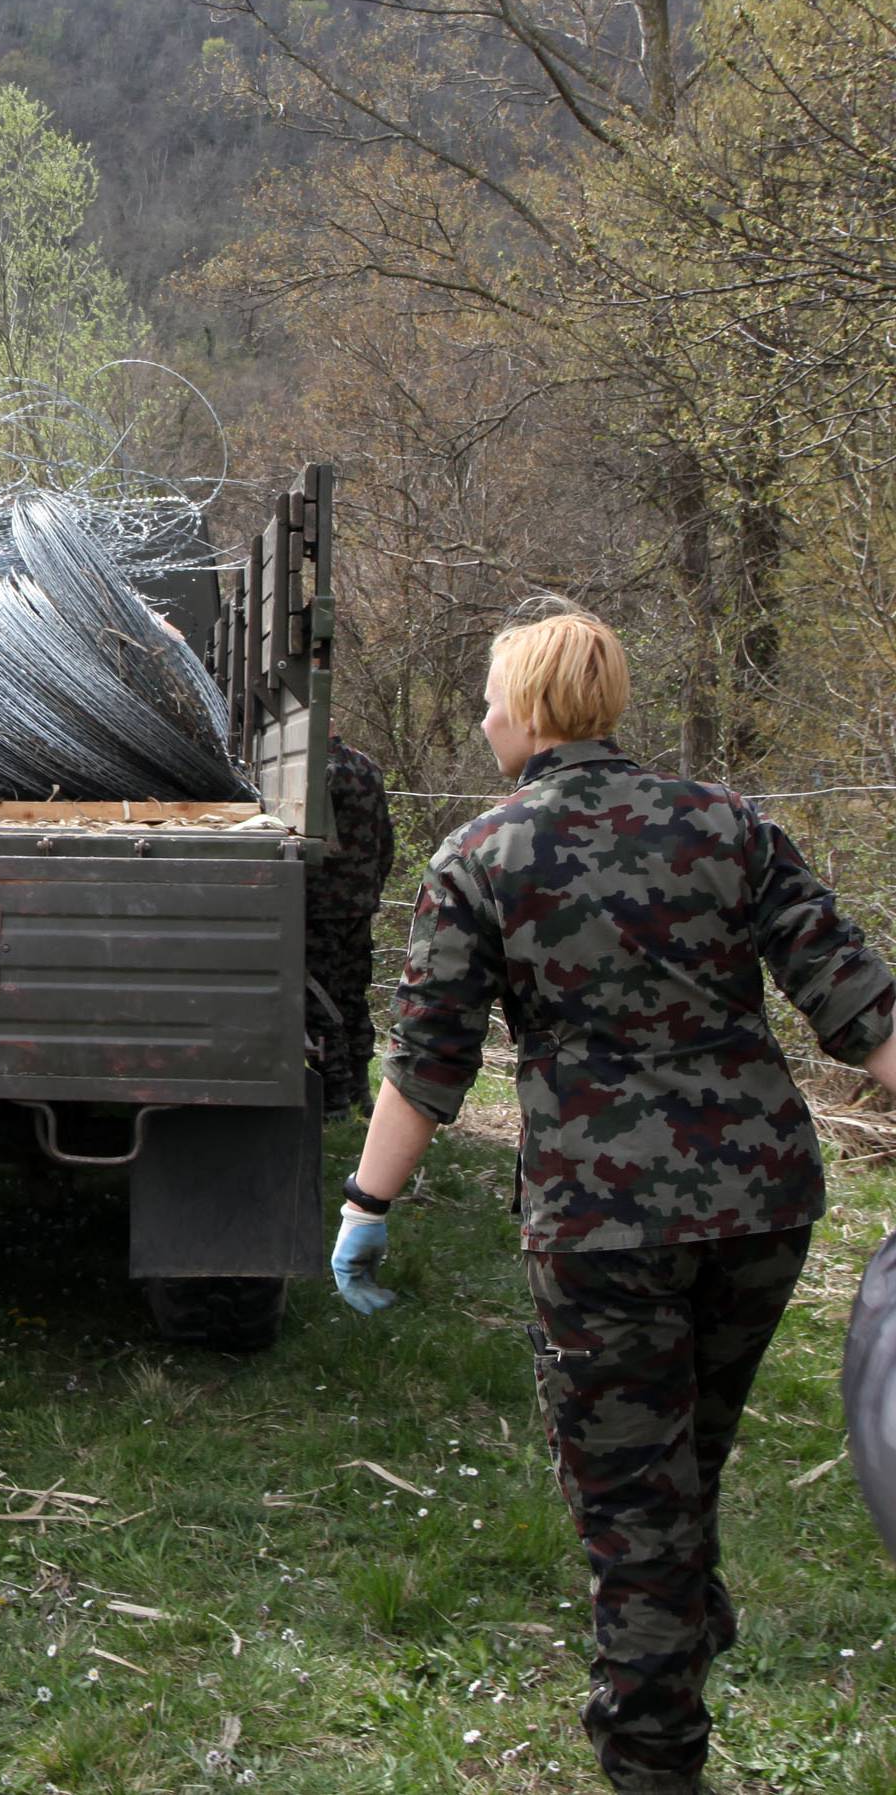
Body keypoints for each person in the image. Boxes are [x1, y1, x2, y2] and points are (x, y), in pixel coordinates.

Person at [329, 608, 896, 1795]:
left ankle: (653, 1753)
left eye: (490, 698)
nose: (482, 717)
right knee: (685, 1453)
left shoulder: (481, 856)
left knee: (633, 1511)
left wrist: (365, 1203)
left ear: (530, 710)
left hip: (603, 1229)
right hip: (764, 1206)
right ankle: (683, 1612)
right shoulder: (728, 826)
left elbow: (427, 1066)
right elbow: (857, 1002)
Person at [307, 734, 395, 1116]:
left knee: (319, 997)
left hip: (319, 905)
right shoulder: (366, 766)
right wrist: (370, 890)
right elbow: (386, 841)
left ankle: (334, 1095)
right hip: (358, 902)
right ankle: (360, 1086)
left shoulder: (316, 772)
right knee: (352, 995)